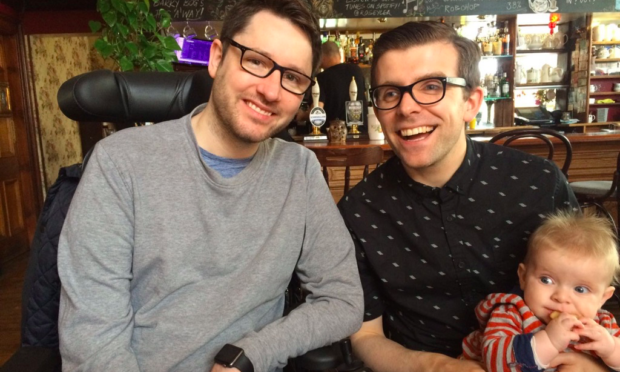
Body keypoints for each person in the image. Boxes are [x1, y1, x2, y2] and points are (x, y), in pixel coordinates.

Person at [57, 1, 364, 371]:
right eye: (256, 61)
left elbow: (343, 300)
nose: (270, 90)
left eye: (293, 77)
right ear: (217, 58)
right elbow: (93, 339)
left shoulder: (298, 171)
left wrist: (253, 353)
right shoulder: (120, 163)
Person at [336, 21, 602, 372]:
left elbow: (594, 291)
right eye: (389, 93)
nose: (407, 108)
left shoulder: (538, 184)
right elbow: (366, 337)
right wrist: (439, 368)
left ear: (471, 102)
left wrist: (588, 362)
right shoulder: (358, 211)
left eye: (432, 87)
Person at [462, 210, 620, 372]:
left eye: (580, 289)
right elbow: (495, 362)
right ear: (523, 277)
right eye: (546, 280)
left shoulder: (603, 324)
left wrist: (612, 349)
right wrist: (549, 341)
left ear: (603, 298)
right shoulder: (512, 312)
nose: (561, 297)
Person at [316, 41, 368, 132]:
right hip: (361, 132)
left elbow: (318, 109)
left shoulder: (321, 78)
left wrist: (302, 115)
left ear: (322, 57)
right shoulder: (357, 70)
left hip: (335, 134)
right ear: (339, 55)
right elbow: (364, 97)